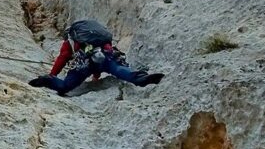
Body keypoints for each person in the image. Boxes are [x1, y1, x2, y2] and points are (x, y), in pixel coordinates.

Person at [29, 19, 164, 96]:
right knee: (118, 69)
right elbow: (102, 59)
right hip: (106, 55)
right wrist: (96, 76)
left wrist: (52, 74)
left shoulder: (71, 41)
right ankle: (141, 78)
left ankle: (47, 80)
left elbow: (62, 58)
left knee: (65, 86)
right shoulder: (97, 38)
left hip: (84, 62)